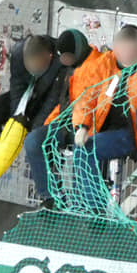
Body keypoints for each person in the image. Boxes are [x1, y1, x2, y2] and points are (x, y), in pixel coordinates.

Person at [62, 26, 137, 208]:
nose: (127, 53)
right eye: (123, 48)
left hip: (128, 134)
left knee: (85, 151)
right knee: (81, 147)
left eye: (132, 49)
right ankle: (91, 204)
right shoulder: (103, 64)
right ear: (116, 47)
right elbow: (87, 98)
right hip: (100, 130)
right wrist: (82, 126)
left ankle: (95, 208)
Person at [23, 28, 96, 204]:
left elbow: (100, 104)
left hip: (90, 127)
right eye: (61, 55)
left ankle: (88, 205)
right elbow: (61, 103)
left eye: (66, 56)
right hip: (65, 124)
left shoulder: (99, 65)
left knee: (83, 151)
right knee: (33, 141)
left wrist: (84, 127)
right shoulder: (67, 70)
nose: (63, 59)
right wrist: (46, 124)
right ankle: (49, 196)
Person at [0, 34, 68, 137]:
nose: (34, 73)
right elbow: (17, 87)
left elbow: (52, 100)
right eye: (30, 70)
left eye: (37, 70)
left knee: (35, 135)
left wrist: (35, 129)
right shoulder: (18, 52)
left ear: (48, 57)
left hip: (47, 100)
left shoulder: (61, 61)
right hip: (27, 95)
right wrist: (16, 117)